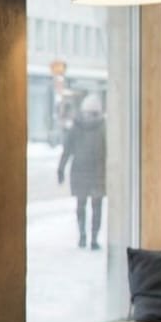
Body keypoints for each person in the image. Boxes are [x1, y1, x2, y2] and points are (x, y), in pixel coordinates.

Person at [58, 94, 107, 250]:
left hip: (79, 171)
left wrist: (61, 169)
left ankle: (82, 236)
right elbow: (110, 152)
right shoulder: (103, 128)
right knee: (96, 207)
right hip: (98, 172)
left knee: (81, 205)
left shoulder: (76, 127)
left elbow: (67, 150)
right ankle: (93, 238)